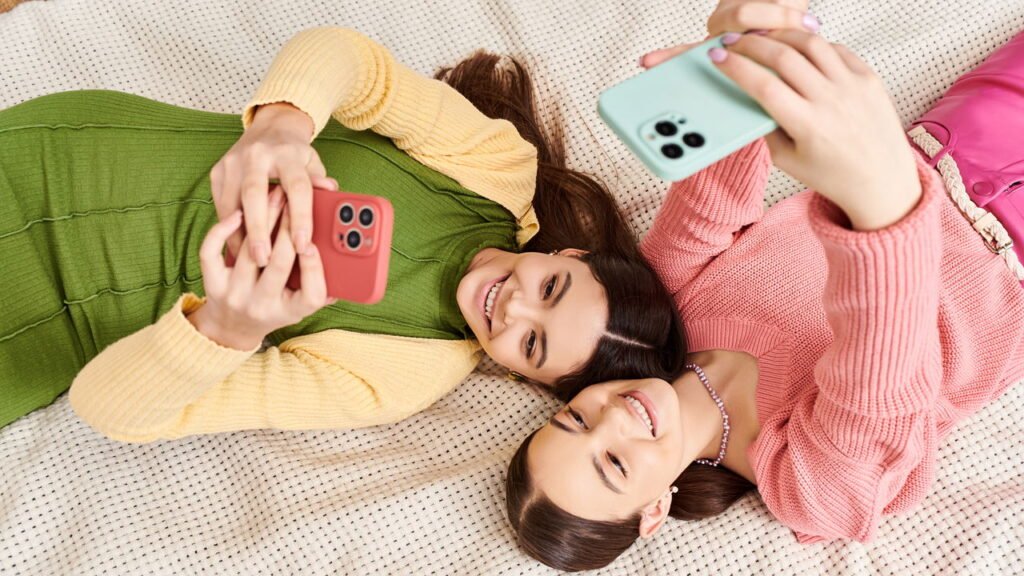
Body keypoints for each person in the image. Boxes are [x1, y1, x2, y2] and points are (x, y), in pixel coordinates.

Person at [504, 1, 1024, 571]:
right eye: (614, 464)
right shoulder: (807, 490)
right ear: (654, 511)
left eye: (576, 420)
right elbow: (881, 377)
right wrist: (879, 196)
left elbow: (714, 188)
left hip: (955, 144)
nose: (613, 418)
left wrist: (740, 55)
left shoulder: (662, 305)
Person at [0, 28, 685, 439]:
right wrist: (282, 124)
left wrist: (227, 328)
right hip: (52, 152)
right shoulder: (497, 168)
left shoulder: (397, 378)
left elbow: (111, 411)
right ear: (569, 254)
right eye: (552, 287)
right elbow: (352, 62)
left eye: (531, 343)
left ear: (517, 372)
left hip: (33, 329)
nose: (513, 307)